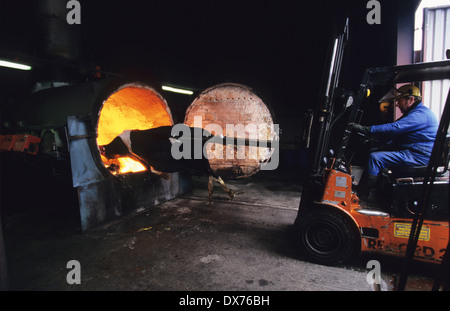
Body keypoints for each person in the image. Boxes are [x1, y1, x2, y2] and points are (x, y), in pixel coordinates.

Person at [349, 84, 439, 199]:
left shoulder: (421, 114)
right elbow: (400, 138)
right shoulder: (415, 113)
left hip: (418, 156)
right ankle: (374, 192)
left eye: (399, 100)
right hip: (414, 151)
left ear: (410, 100)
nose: (397, 104)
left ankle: (362, 196)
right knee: (373, 151)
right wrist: (383, 146)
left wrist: (366, 129)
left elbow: (395, 128)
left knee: (376, 158)